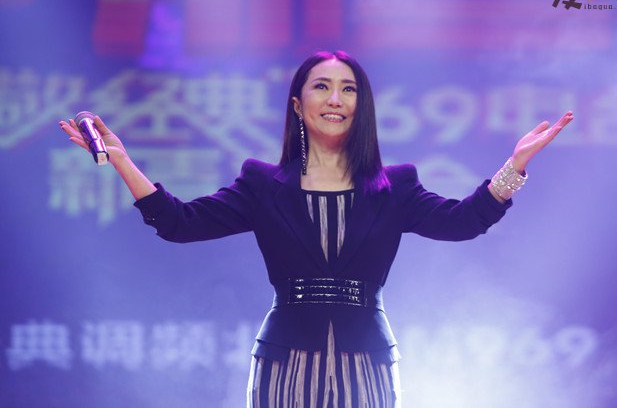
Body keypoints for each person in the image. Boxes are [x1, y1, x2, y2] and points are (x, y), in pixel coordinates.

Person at [59, 50, 574, 407]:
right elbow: (179, 223)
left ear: (361, 105)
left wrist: (513, 167)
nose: (335, 99)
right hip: (286, 363)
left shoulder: (395, 185)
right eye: (322, 87)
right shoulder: (262, 184)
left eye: (348, 89)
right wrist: (122, 160)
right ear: (297, 105)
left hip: (367, 363)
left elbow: (462, 222)